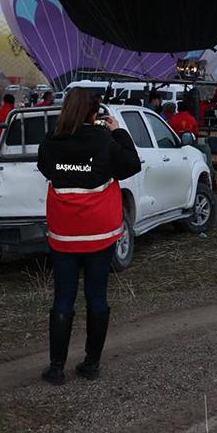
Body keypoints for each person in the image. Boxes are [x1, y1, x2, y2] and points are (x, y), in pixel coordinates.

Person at [36, 90, 141, 384]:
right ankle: (91, 364)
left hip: (65, 233)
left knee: (63, 298)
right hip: (100, 232)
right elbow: (132, 164)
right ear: (94, 113)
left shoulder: (51, 141)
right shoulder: (104, 141)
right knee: (97, 295)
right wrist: (118, 132)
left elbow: (45, 167)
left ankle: (56, 368)